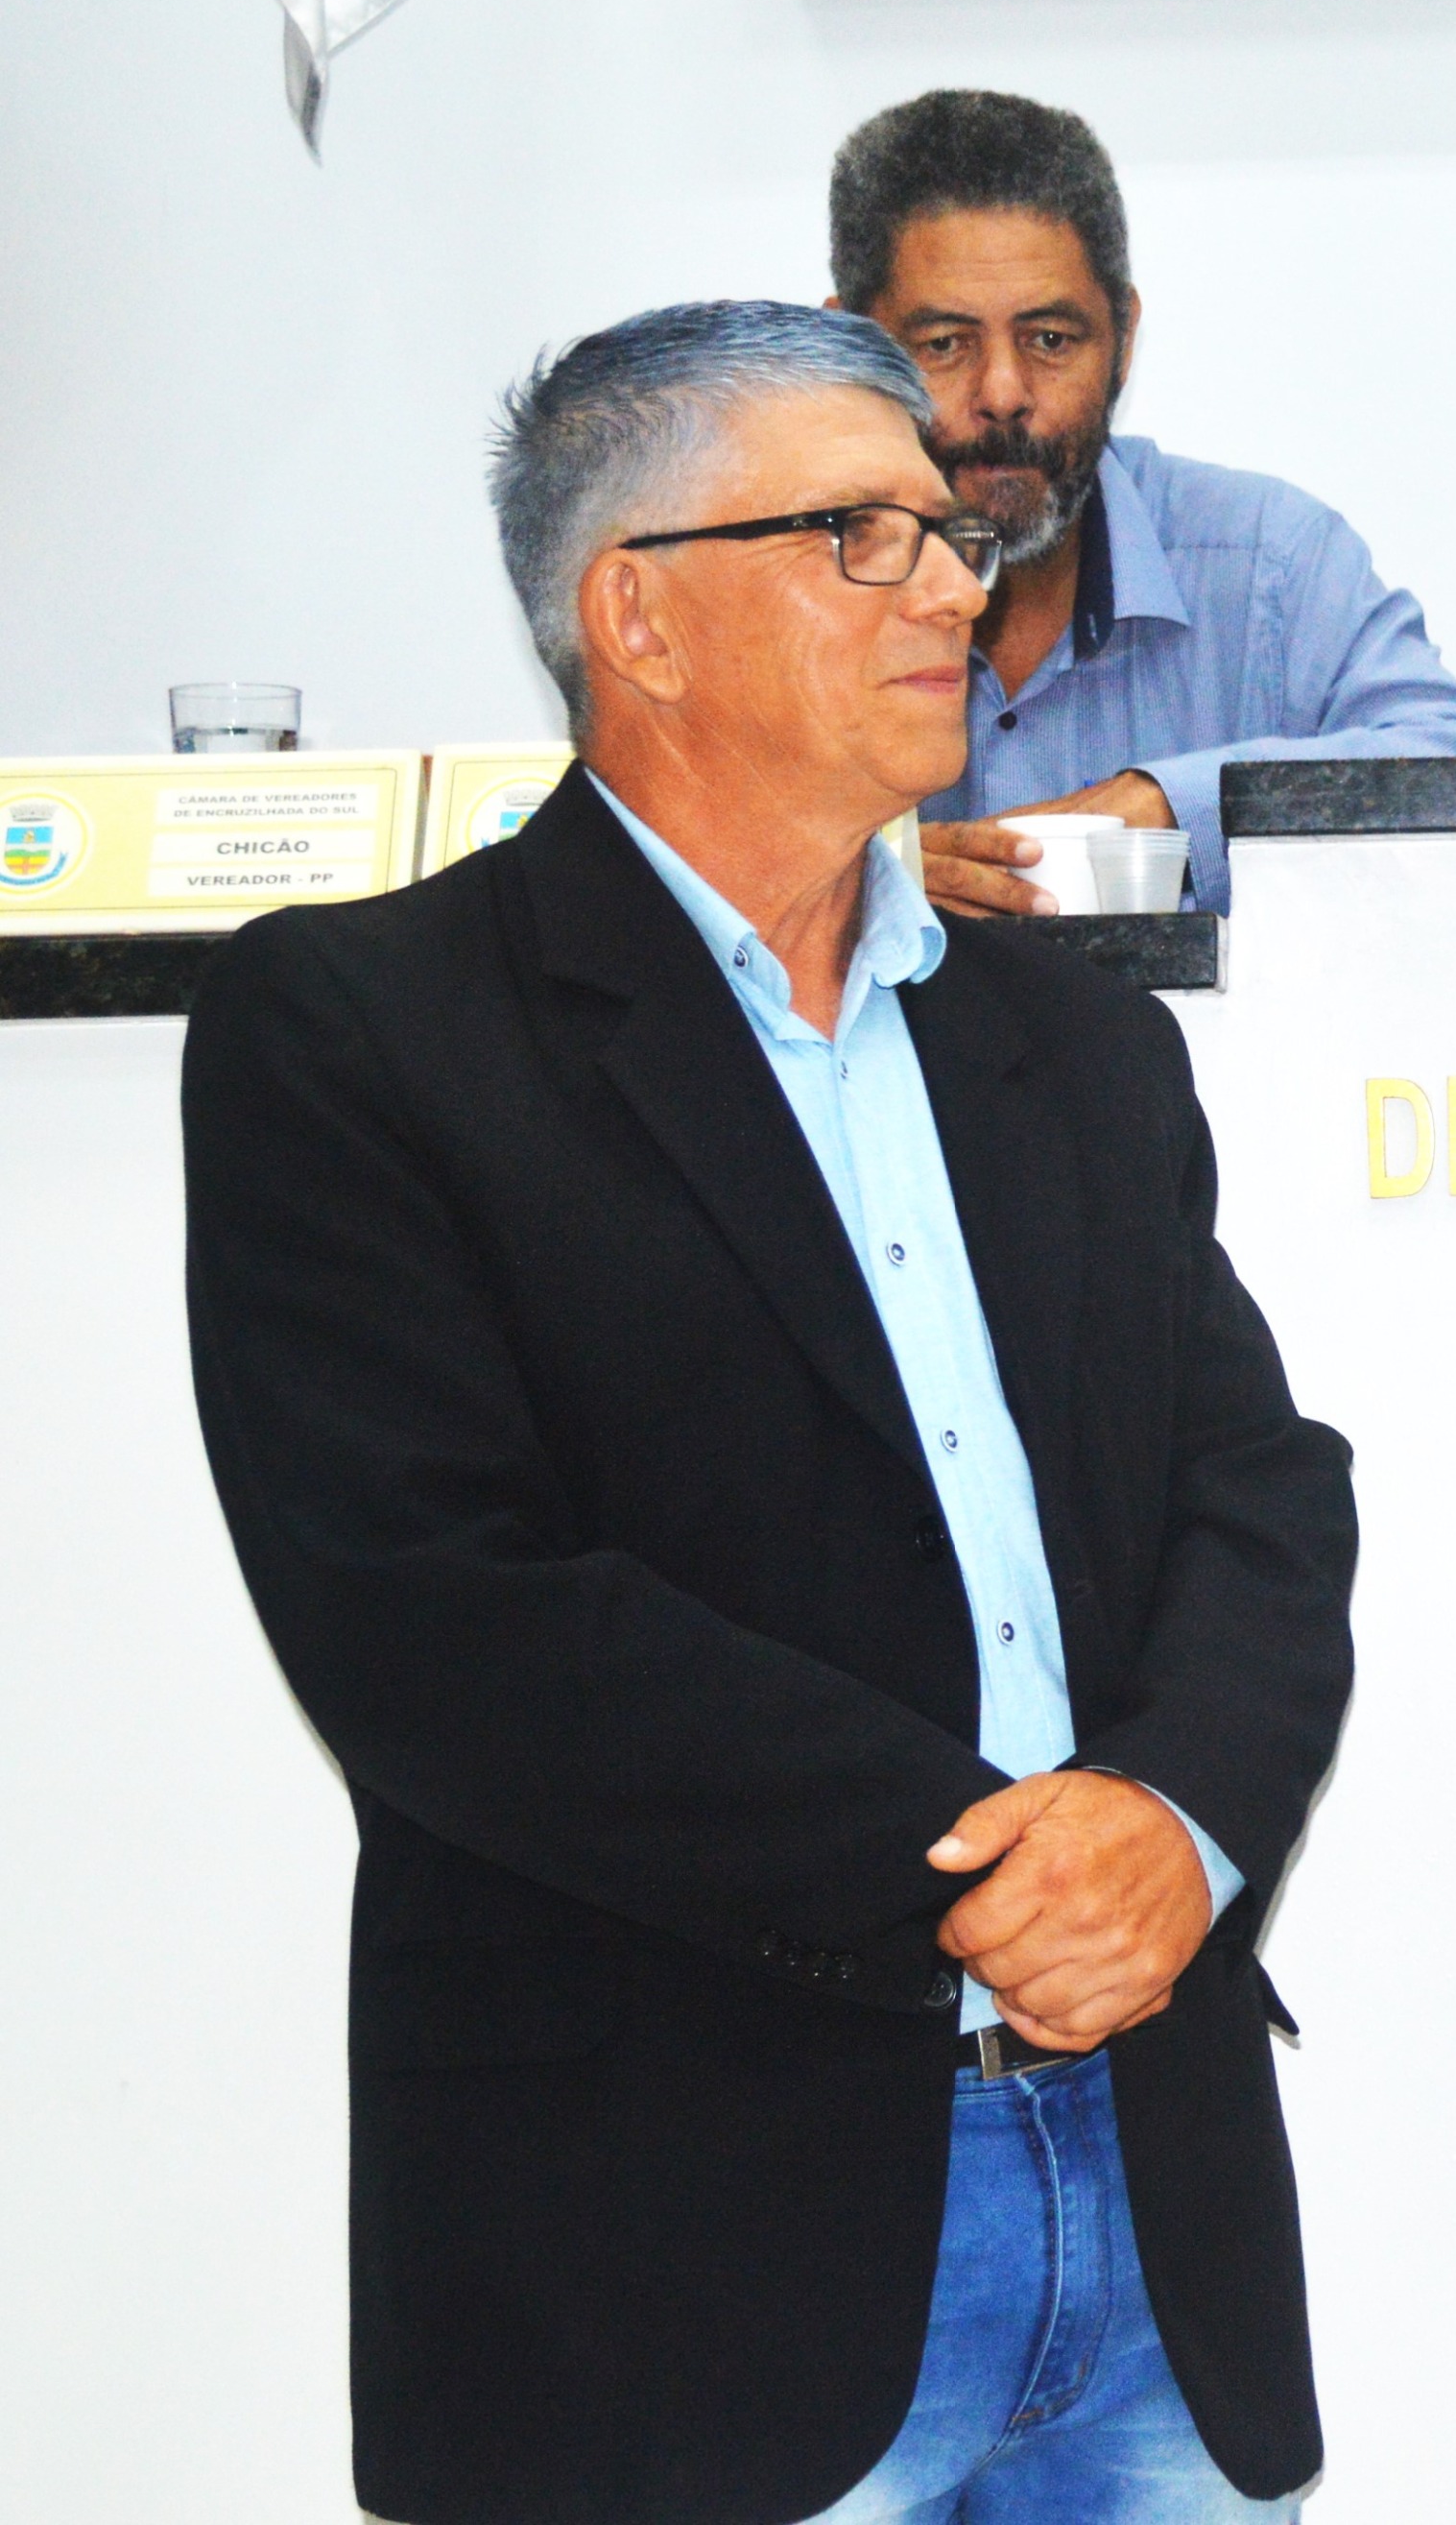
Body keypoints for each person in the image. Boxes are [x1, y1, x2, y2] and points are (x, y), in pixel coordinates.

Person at [182, 301, 1356, 2525]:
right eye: (858, 535)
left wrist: (1171, 1821)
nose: (951, 590)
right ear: (636, 611)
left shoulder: (1075, 1044)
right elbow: (438, 1613)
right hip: (668, 2242)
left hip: (1149, 2189)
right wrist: (991, 1860)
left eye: (948, 536)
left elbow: (1258, 1492)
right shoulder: (364, 1032)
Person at [828, 90, 1456, 915]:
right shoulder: (781, 580)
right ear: (847, 348)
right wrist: (853, 894)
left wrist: (1174, 807)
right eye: (945, 344)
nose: (1004, 393)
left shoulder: (1267, 563)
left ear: (1124, 340)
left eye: (1051, 340)